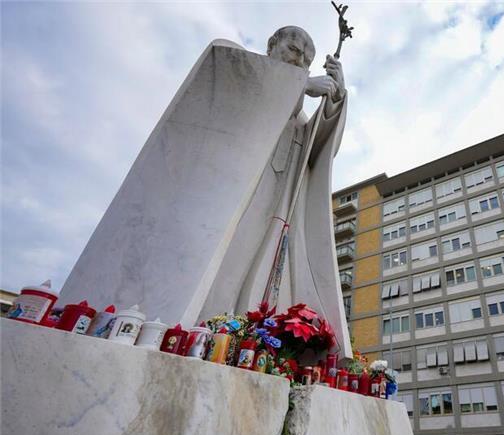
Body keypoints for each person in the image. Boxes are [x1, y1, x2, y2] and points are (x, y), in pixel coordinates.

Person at [61, 26, 352, 358]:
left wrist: (336, 98)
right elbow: (238, 86)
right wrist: (298, 84)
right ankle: (200, 332)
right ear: (272, 45)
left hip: (278, 207)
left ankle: (240, 343)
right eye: (293, 50)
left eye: (306, 60)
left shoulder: (296, 115)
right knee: (223, 267)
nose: (299, 61)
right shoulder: (239, 69)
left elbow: (317, 148)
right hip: (234, 199)